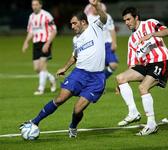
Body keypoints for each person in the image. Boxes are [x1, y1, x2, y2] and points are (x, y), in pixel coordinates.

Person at [20, 0, 107, 138]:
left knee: (78, 109)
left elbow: (104, 17)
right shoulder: (76, 39)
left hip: (96, 78)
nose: (72, 26)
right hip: (79, 73)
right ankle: (34, 121)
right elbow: (75, 56)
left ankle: (73, 127)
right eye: (71, 24)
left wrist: (96, 5)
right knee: (60, 99)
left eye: (74, 23)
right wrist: (64, 68)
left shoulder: (95, 27)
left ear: (83, 22)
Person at [116, 7, 168, 136]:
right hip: (147, 65)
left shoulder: (150, 23)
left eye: (129, 19)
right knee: (120, 78)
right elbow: (132, 65)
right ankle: (133, 112)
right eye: (124, 20)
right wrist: (121, 85)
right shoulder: (132, 40)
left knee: (143, 88)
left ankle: (151, 125)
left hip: (160, 61)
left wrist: (151, 34)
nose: (126, 23)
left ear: (136, 17)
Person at [22, 0, 57, 95]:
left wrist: (48, 43)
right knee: (37, 68)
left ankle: (40, 89)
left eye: (36, 4)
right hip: (36, 43)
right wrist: (26, 42)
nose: (34, 6)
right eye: (33, 4)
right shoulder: (31, 16)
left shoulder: (47, 15)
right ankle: (51, 78)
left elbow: (54, 31)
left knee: (42, 66)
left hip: (45, 42)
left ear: (40, 5)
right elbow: (31, 31)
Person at [84, 2, 118, 80]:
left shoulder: (107, 17)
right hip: (95, 46)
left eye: (96, 7)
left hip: (107, 44)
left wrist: (114, 43)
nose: (94, 8)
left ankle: (100, 80)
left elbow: (112, 29)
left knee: (113, 65)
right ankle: (98, 84)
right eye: (93, 7)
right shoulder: (88, 18)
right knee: (97, 67)